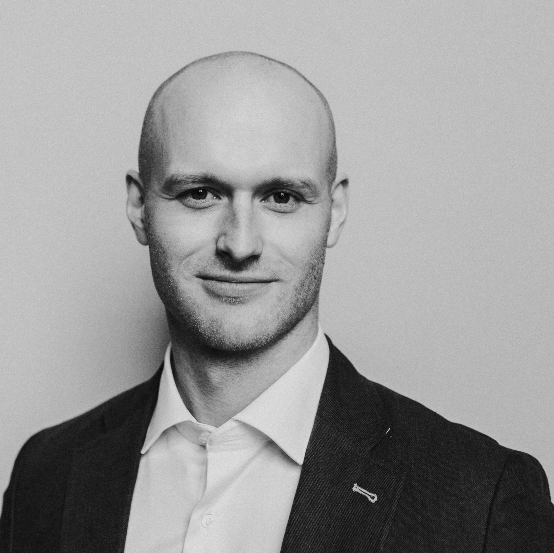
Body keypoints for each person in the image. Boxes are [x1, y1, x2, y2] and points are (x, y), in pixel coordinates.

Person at [1, 51, 552, 553]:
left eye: (282, 197)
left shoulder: (483, 501)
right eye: (200, 194)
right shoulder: (44, 475)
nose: (240, 244)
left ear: (334, 212)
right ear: (139, 206)